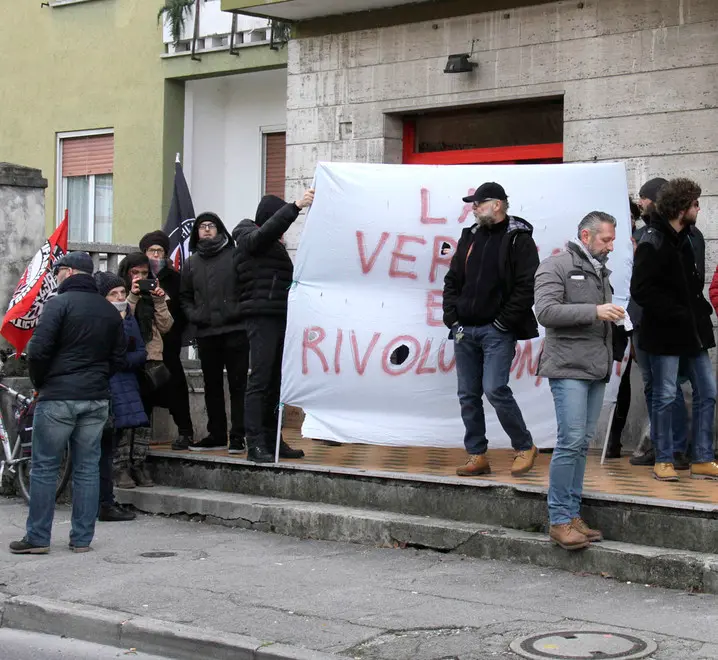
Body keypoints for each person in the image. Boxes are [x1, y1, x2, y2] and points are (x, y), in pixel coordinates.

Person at [10, 252, 125, 554]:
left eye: (58, 270)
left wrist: (41, 383)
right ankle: (82, 539)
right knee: (87, 469)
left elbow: (39, 351)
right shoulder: (110, 310)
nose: (55, 275)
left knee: (45, 467)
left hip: (58, 396)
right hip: (96, 398)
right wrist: (98, 380)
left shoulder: (57, 305)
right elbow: (117, 357)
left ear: (70, 272)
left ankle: (37, 538)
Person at [535, 212, 623, 551]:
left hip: (595, 368)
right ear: (586, 236)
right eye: (606, 240)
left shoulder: (600, 270)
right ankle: (559, 520)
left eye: (612, 240)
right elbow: (545, 312)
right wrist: (596, 311)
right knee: (570, 441)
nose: (611, 246)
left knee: (581, 444)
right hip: (568, 367)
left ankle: (572, 516)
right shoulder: (555, 266)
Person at [442, 182, 539, 477]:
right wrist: (452, 318)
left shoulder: (518, 240)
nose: (473, 208)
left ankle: (524, 446)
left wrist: (502, 322)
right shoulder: (470, 236)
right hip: (464, 330)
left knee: (494, 388)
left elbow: (527, 286)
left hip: (497, 331)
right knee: (467, 394)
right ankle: (476, 455)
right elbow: (453, 279)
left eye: (478, 203)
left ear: (497, 205)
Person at [631, 178, 717, 482]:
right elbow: (641, 291)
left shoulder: (690, 238)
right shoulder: (652, 240)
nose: (698, 208)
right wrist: (675, 313)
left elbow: (694, 285)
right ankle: (664, 458)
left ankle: (703, 457)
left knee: (708, 391)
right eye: (694, 203)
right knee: (666, 395)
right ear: (681, 208)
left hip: (693, 332)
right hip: (666, 332)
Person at [232, 191, 314, 463]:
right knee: (260, 380)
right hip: (261, 317)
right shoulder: (247, 236)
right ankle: (254, 442)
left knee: (276, 382)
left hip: (280, 318)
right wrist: (296, 206)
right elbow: (262, 235)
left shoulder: (273, 247)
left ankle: (273, 438)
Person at [180, 212, 248, 452]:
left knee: (239, 385)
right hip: (207, 333)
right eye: (202, 226)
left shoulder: (235, 255)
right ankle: (216, 434)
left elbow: (247, 287)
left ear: (220, 229)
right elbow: (185, 297)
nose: (207, 230)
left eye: (211, 226)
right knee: (212, 385)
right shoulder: (191, 263)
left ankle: (239, 435)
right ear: (196, 232)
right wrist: (195, 315)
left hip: (236, 330)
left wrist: (238, 310)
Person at [117, 253, 174, 486]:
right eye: (135, 273)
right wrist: (131, 295)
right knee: (125, 415)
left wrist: (159, 300)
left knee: (143, 417)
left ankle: (139, 463)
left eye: (144, 273)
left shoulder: (153, 297)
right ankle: (120, 466)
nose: (140, 277)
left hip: (150, 361)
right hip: (126, 360)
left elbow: (167, 326)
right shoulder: (119, 292)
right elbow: (120, 319)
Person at [95, 271, 147, 522]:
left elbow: (140, 351)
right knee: (101, 450)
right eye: (113, 294)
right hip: (105, 387)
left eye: (122, 293)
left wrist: (123, 360)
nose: (119, 297)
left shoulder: (129, 317)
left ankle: (105, 501)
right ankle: (101, 501)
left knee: (112, 444)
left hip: (125, 385)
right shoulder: (99, 318)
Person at [139, 231, 195, 450]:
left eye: (159, 250)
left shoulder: (175, 278)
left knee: (176, 389)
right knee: (143, 392)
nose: (155, 254)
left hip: (169, 343)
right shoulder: (138, 275)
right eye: (151, 250)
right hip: (144, 345)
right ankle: (140, 439)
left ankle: (185, 432)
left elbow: (182, 307)